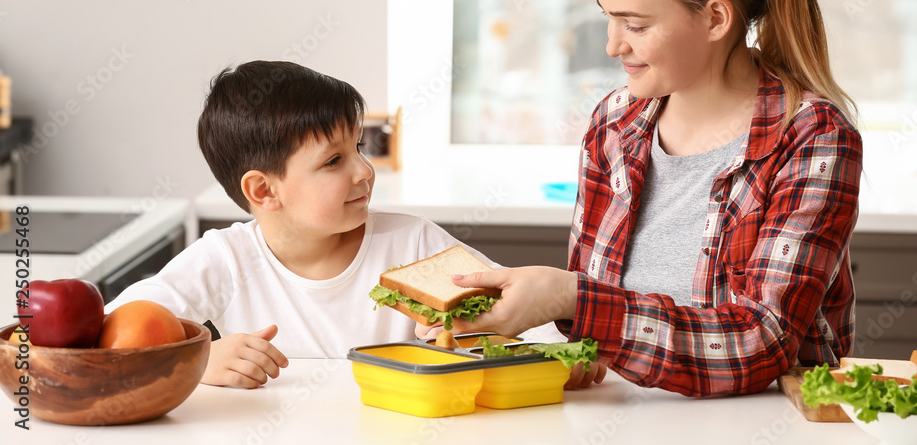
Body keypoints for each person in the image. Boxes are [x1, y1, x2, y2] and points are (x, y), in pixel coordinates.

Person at [452, 0, 863, 397]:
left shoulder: (811, 137)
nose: (612, 44)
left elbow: (762, 341)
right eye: (608, 14)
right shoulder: (613, 123)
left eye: (636, 24)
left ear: (716, 18)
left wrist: (571, 300)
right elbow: (593, 322)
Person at [107, 61, 571, 389]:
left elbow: (528, 319)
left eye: (359, 148)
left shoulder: (413, 242)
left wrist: (553, 358)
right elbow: (113, 334)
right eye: (334, 161)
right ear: (264, 191)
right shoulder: (225, 259)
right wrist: (199, 359)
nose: (364, 171)